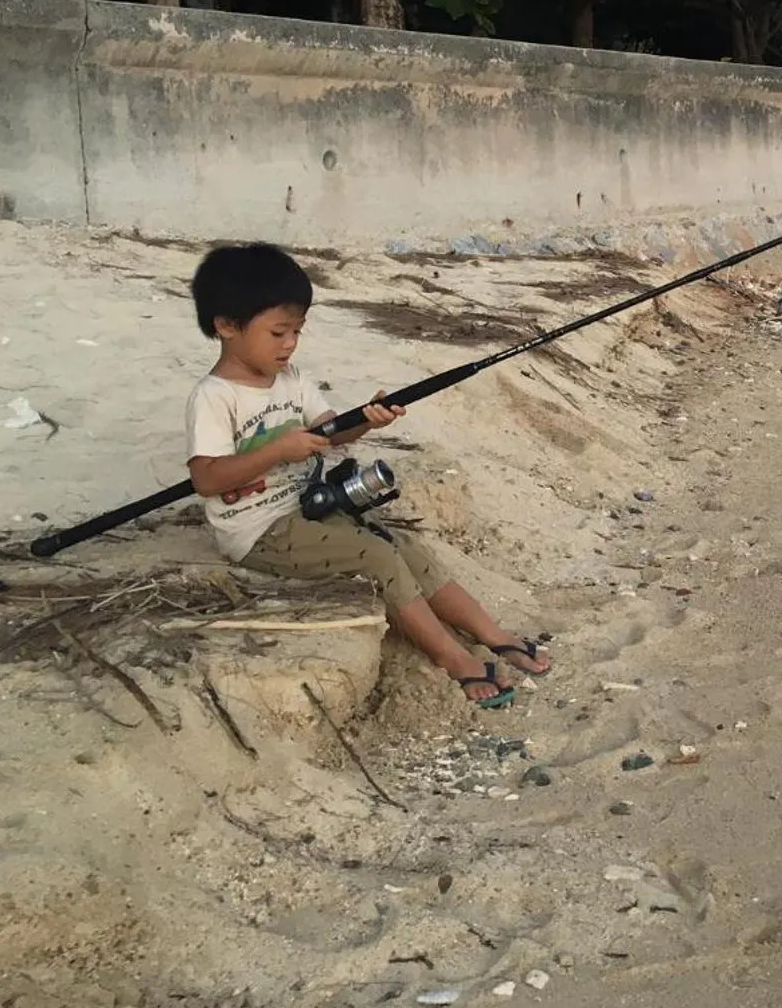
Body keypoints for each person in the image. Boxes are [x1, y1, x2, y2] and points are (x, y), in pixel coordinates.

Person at [183, 243, 550, 708]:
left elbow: (330, 431)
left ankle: (493, 634)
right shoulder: (214, 397)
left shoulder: (291, 378)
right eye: (278, 332)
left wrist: (367, 418)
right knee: (377, 559)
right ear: (226, 325)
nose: (290, 343)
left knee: (404, 546)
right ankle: (454, 659)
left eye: (297, 330)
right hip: (259, 531)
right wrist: (279, 448)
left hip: (307, 510)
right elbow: (207, 479)